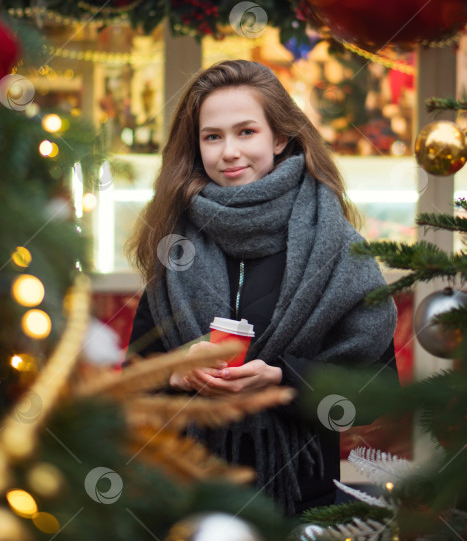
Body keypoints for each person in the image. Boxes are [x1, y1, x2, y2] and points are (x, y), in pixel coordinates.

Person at [125, 59, 399, 517]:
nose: (229, 151)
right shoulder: (173, 242)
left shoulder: (334, 244)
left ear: (280, 137)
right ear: (196, 147)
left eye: (246, 132)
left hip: (299, 503)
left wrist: (285, 380)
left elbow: (378, 391)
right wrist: (176, 372)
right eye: (212, 136)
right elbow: (132, 385)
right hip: (188, 501)